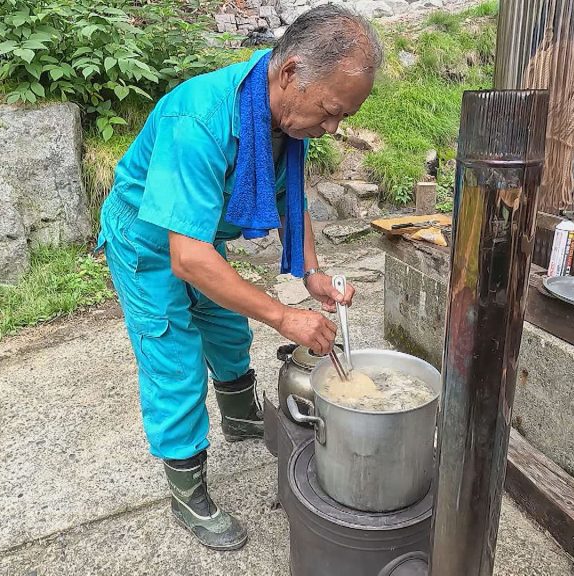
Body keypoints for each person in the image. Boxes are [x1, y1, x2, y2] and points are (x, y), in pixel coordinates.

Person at [96, 5, 383, 551]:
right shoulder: (199, 118)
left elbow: (287, 197)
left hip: (204, 239)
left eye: (342, 117)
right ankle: (187, 490)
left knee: (228, 328)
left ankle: (242, 418)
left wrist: (313, 274)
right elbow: (187, 258)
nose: (331, 128)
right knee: (174, 358)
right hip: (148, 244)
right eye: (329, 112)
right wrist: (284, 314)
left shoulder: (278, 115)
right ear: (292, 72)